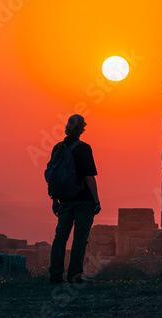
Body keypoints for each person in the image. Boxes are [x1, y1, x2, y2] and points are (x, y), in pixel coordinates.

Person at [48, 114, 101, 284]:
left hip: (63, 199)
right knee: (80, 238)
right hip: (84, 200)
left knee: (60, 237)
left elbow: (53, 176)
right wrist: (97, 201)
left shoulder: (57, 148)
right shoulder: (84, 148)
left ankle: (55, 276)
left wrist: (54, 200)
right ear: (81, 129)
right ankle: (75, 275)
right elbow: (89, 178)